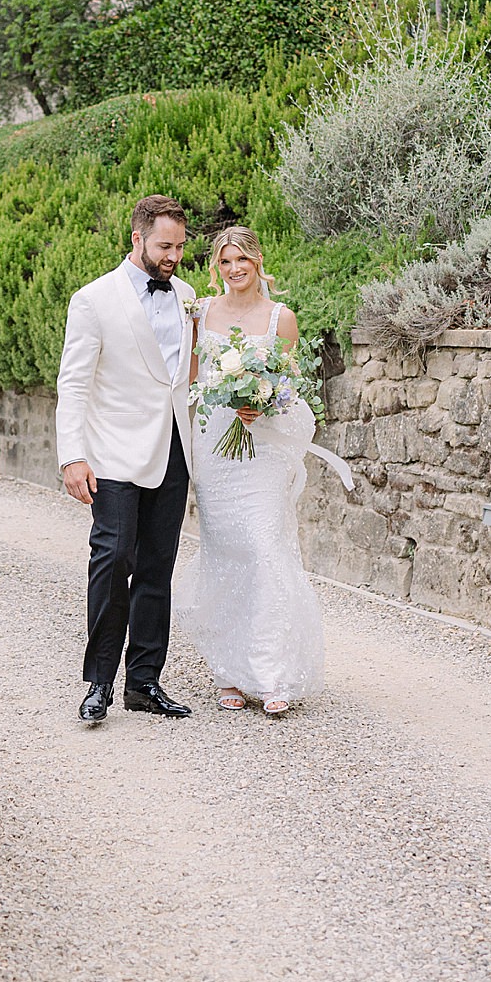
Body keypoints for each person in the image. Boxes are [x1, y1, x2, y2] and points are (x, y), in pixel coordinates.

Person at [175, 224, 351, 715]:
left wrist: (263, 402)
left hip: (261, 453)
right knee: (225, 553)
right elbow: (191, 379)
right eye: (226, 262)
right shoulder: (201, 314)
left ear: (257, 262)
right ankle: (230, 673)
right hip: (215, 448)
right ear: (216, 267)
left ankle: (272, 672)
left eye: (243, 262)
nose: (235, 271)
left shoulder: (281, 319)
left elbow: (290, 390)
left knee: (264, 549)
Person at [56, 195, 197, 724]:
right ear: (137, 238)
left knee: (159, 567)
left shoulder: (186, 296)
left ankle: (145, 682)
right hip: (112, 453)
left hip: (173, 450)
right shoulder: (92, 300)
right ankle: (98, 684)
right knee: (114, 562)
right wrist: (73, 455)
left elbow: (185, 377)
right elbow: (73, 384)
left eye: (181, 246)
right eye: (165, 245)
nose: (174, 257)